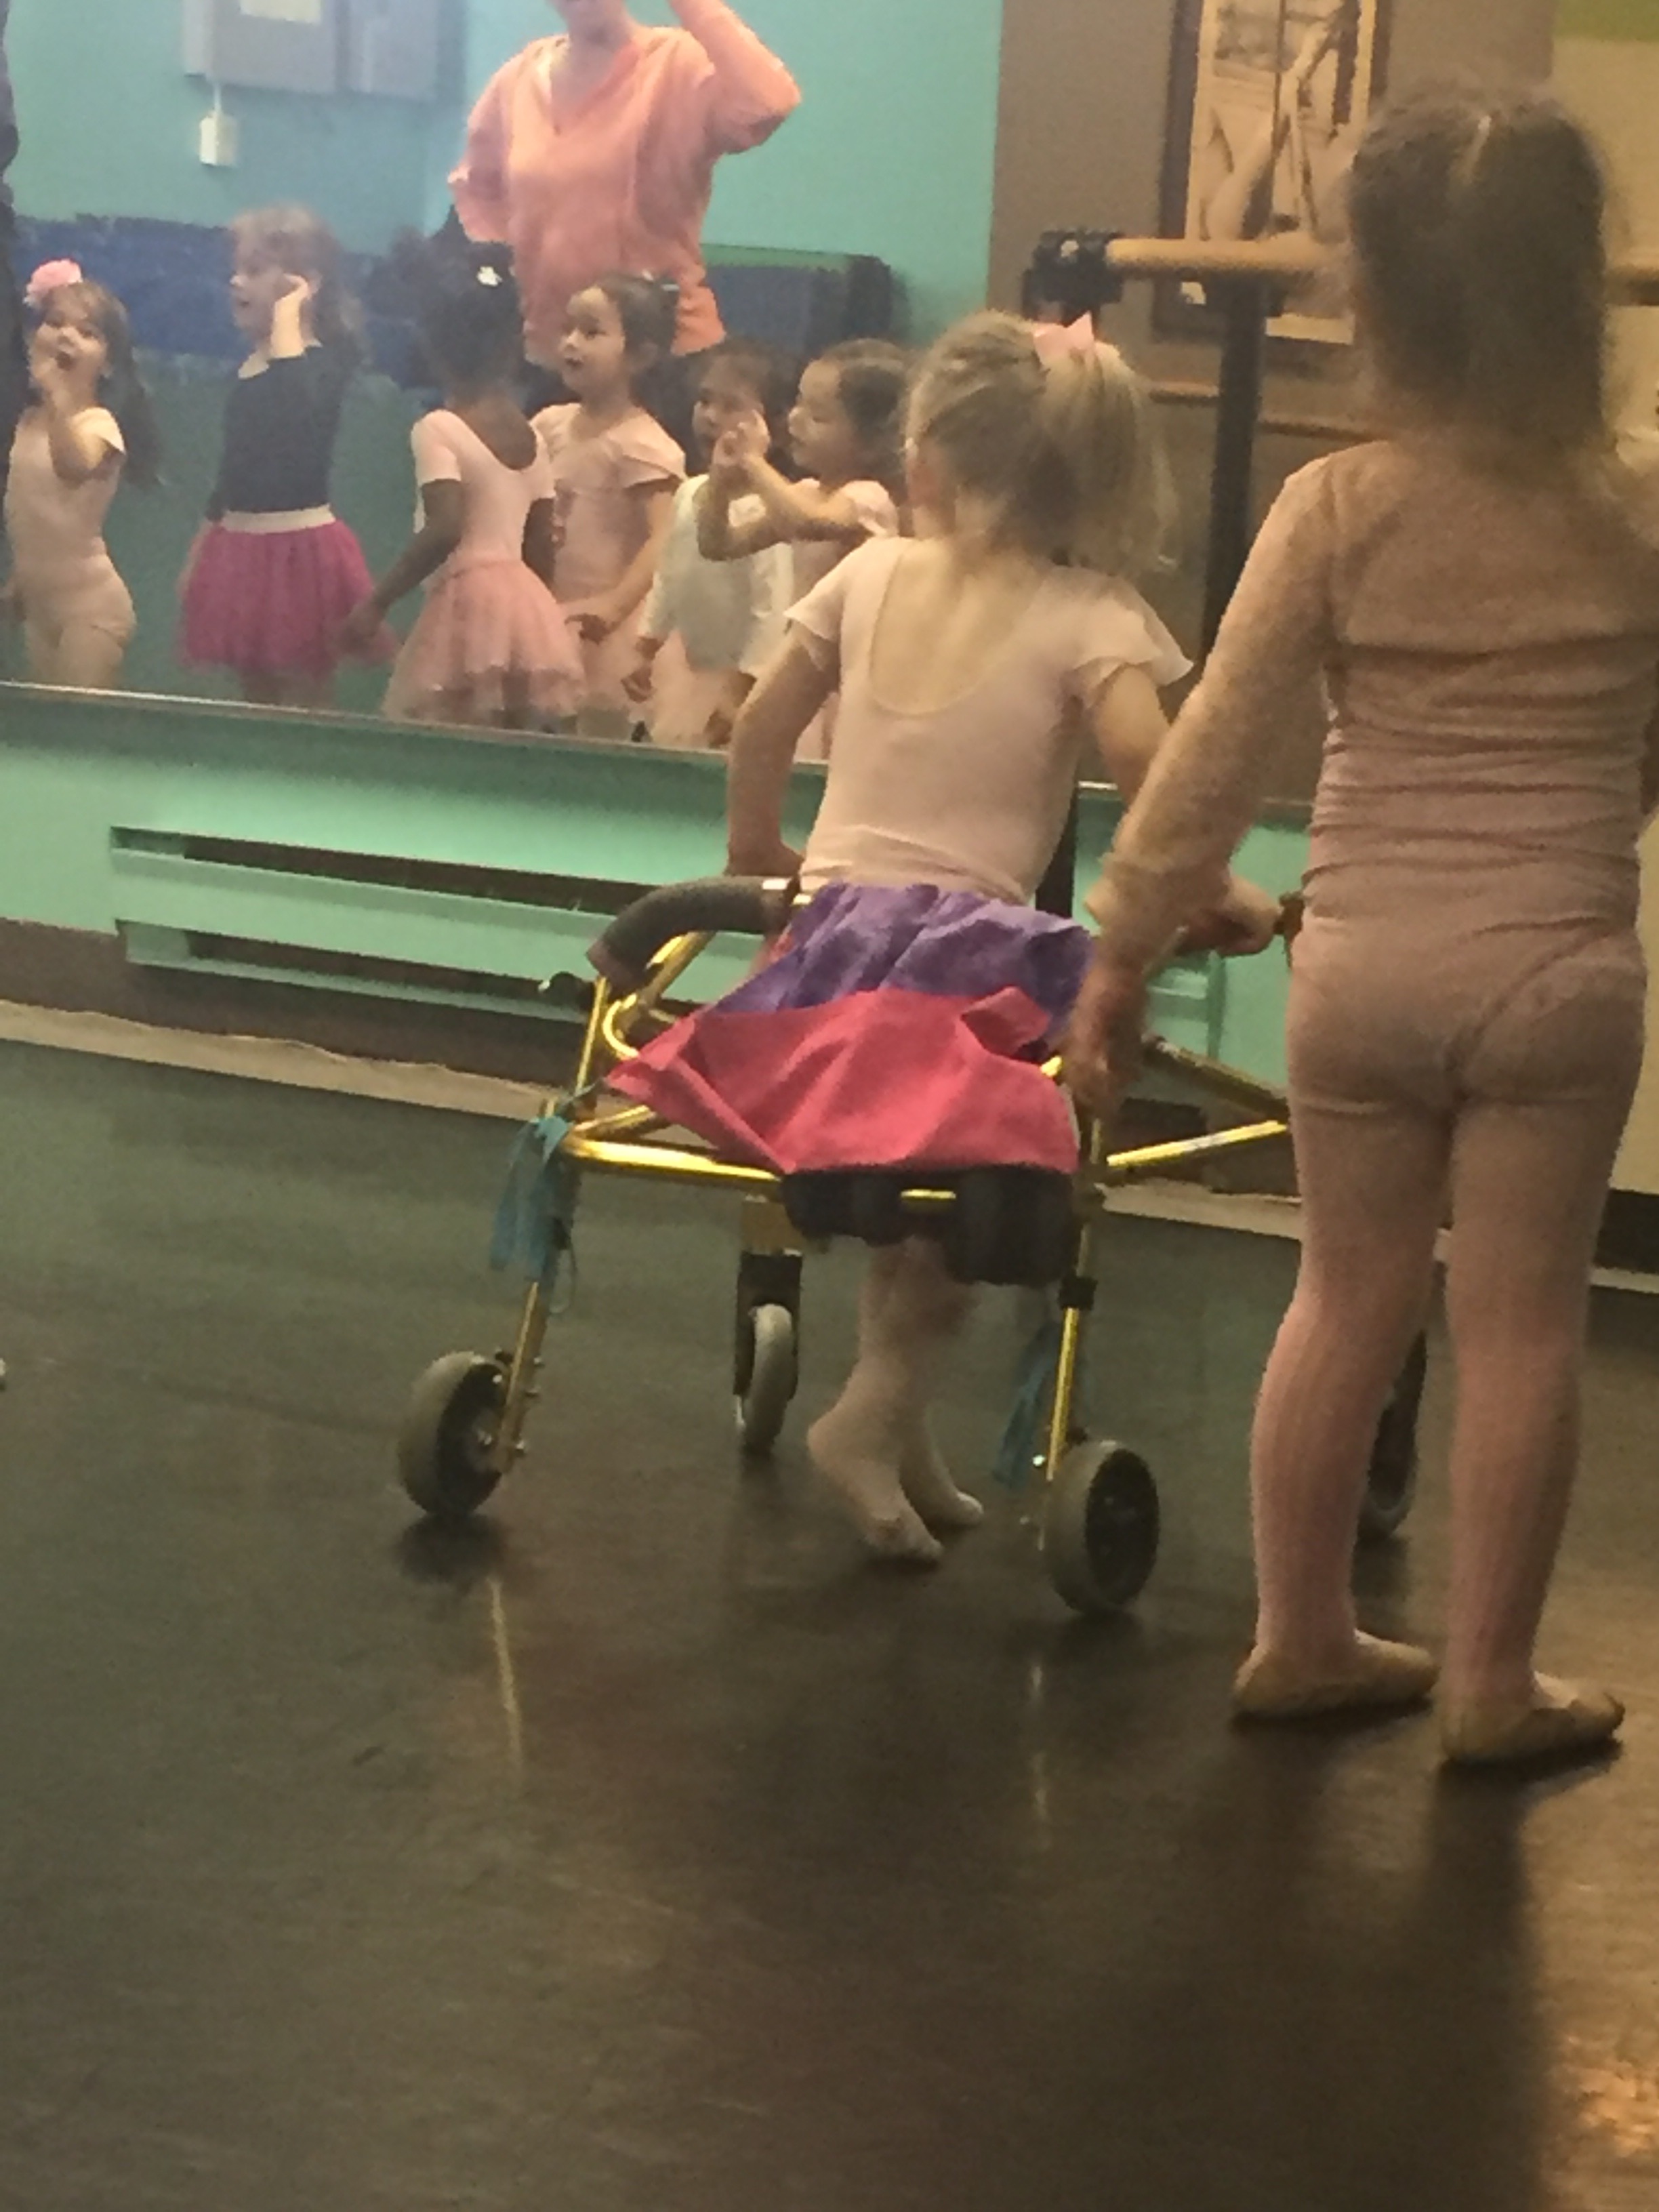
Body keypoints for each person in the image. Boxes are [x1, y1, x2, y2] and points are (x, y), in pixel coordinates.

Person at [1066, 92, 1659, 1769]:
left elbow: (1207, 768)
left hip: (1361, 970)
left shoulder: (1336, 508)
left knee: (1342, 1298)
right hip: (1555, 966)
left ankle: (1303, 1634)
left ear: (1369, 298)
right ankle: (1490, 1683)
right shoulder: (1638, 505)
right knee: (1522, 1325)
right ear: (1579, 287)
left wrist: (1118, 957)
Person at [614, 312, 1277, 1564]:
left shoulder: (866, 574)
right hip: (966, 964)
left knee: (913, 1199)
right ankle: (865, 1419)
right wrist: (1218, 887)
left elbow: (764, 726)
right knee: (980, 1204)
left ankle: (904, 1433)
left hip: (830, 948)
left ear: (922, 456)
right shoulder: (1090, 612)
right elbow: (1158, 779)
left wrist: (759, 853)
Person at [451, 0, 799, 375]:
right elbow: (476, 189)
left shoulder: (676, 62)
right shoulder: (519, 78)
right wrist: (508, 272)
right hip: (551, 357)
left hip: (661, 359)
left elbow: (768, 103)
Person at [340, 236, 581, 732]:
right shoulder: (531, 435)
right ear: (512, 348)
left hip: (468, 600)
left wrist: (378, 600)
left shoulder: (438, 428)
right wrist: (540, 616)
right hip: (524, 600)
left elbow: (445, 528)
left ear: (431, 348)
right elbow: (541, 543)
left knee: (456, 730)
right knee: (510, 733)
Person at [180, 205, 386, 708]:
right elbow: (232, 471)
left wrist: (291, 316)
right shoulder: (252, 366)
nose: (236, 281)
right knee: (255, 691)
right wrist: (200, 551)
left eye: (253, 270)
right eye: (236, 269)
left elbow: (295, 405)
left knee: (304, 692)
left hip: (299, 552)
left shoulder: (322, 362)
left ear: (303, 284)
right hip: (240, 548)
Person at [699, 337, 909, 756]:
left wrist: (754, 463)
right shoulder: (809, 491)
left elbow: (810, 523)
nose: (794, 419)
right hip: (806, 668)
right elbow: (719, 544)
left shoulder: (870, 498)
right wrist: (719, 487)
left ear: (872, 441)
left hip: (850, 675)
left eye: (818, 416)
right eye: (798, 403)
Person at [533, 273, 685, 731]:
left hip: (607, 629)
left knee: (596, 730)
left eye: (592, 332)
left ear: (641, 355)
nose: (571, 342)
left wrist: (615, 606)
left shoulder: (643, 445)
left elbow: (667, 538)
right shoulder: (550, 425)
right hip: (553, 613)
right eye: (569, 329)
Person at [628, 337, 796, 747]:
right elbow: (670, 573)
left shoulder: (772, 509)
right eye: (704, 400)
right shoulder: (690, 491)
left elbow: (771, 609)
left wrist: (742, 689)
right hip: (693, 674)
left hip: (747, 682)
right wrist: (647, 644)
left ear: (773, 427)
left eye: (732, 406)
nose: (711, 416)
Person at [3, 264, 160, 689]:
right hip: (39, 612)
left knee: (79, 717)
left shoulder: (99, 424)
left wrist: (57, 396)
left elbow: (72, 468)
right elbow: (36, 512)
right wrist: (20, 583)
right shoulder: (27, 422)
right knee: (48, 722)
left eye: (87, 332)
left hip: (91, 612)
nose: (67, 336)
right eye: (55, 323)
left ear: (107, 364)